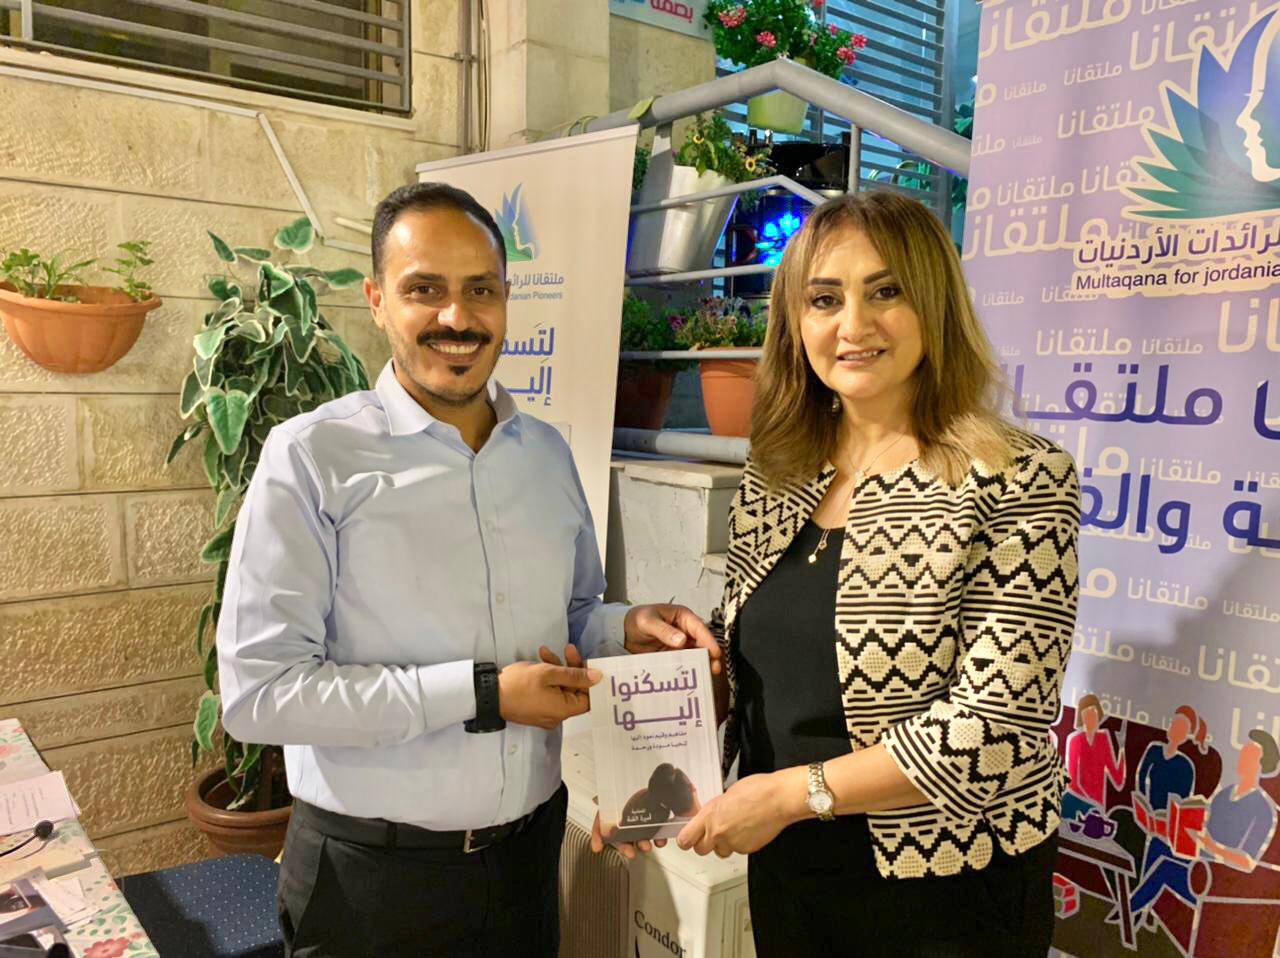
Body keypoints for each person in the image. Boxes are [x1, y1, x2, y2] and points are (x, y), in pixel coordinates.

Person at [216, 181, 717, 958]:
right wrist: (484, 693)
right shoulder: (313, 458)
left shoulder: (545, 454)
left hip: (525, 861)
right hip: (370, 884)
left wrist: (627, 627)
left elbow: (571, 612)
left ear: (507, 299)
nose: (457, 317)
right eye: (425, 290)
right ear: (378, 301)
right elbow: (261, 695)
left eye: (480, 289)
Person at [669, 191, 1081, 956]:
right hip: (792, 866)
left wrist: (794, 795)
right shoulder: (779, 471)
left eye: (885, 291)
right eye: (824, 299)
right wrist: (677, 692)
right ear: (795, 322)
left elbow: (994, 726)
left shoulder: (1018, 476)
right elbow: (763, 654)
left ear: (934, 304)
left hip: (949, 883)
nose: (853, 325)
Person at [1128, 729, 1279, 918]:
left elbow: (1248, 863)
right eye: (1243, 753)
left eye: (1248, 756)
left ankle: (1127, 912)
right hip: (1197, 861)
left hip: (1214, 880)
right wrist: (1179, 828)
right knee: (1158, 843)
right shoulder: (1225, 793)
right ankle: (1138, 913)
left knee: (1165, 868)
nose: (1241, 759)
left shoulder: (1264, 810)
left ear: (1261, 766)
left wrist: (1212, 847)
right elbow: (1204, 827)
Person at [1062, 693, 1126, 822]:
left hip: (1097, 810)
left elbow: (1118, 780)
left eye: (1094, 715)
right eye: (1088, 715)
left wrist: (1121, 749)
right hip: (1077, 801)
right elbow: (1073, 781)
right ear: (1082, 718)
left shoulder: (1103, 740)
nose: (1092, 719)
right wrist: (1089, 802)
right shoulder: (1075, 740)